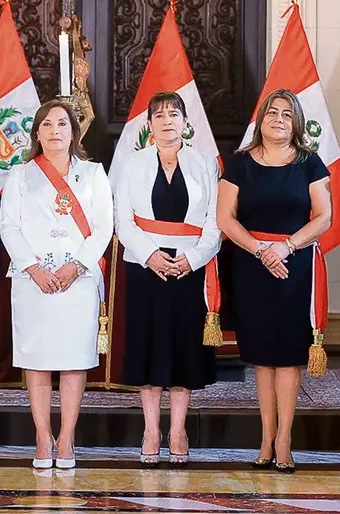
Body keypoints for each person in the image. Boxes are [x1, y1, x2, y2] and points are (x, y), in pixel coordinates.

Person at [216, 88, 332, 473]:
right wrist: (260, 250)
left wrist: (284, 247)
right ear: (260, 121)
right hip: (252, 267)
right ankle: (265, 437)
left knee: (289, 357)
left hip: (295, 267)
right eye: (272, 113)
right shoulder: (239, 164)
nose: (279, 119)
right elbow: (225, 218)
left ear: (295, 123)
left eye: (286, 114)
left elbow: (323, 217)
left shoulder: (310, 163)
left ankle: (285, 438)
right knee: (263, 359)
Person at [0, 100, 112, 470]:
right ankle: (42, 436)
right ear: (37, 133)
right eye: (46, 125)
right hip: (33, 281)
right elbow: (9, 227)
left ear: (73, 132)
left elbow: (103, 228)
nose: (54, 131)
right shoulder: (20, 175)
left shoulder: (94, 173)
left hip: (76, 281)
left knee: (72, 358)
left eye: (62, 124)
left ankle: (67, 437)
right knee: (38, 359)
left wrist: (75, 267)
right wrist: (34, 269)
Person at [114, 91, 221, 467]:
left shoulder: (205, 163)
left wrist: (191, 259)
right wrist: (150, 255)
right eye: (158, 116)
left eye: (173, 114)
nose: (166, 121)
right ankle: (150, 430)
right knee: (148, 347)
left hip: (189, 270)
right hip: (145, 267)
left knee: (182, 349)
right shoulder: (131, 163)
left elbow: (214, 221)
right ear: (148, 125)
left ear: (186, 123)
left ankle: (177, 429)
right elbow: (122, 220)